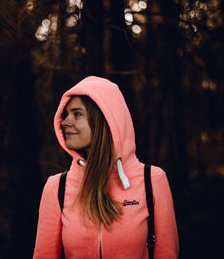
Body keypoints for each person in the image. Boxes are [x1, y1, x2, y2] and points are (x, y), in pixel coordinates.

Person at [33, 76, 179, 259]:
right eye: (66, 114)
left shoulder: (152, 180)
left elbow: (167, 254)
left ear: (104, 119)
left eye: (77, 114)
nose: (65, 121)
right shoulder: (56, 187)